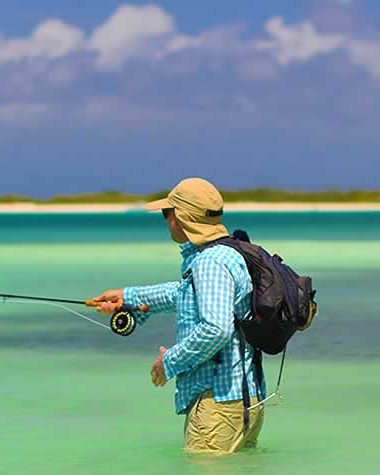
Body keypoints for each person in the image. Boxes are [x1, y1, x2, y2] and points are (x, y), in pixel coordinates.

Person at [90, 177, 266, 455]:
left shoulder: (209, 263)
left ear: (182, 217)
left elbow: (215, 329)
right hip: (245, 400)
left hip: (217, 404)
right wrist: (129, 297)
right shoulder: (228, 254)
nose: (166, 220)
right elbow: (184, 293)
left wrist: (168, 363)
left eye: (166, 213)